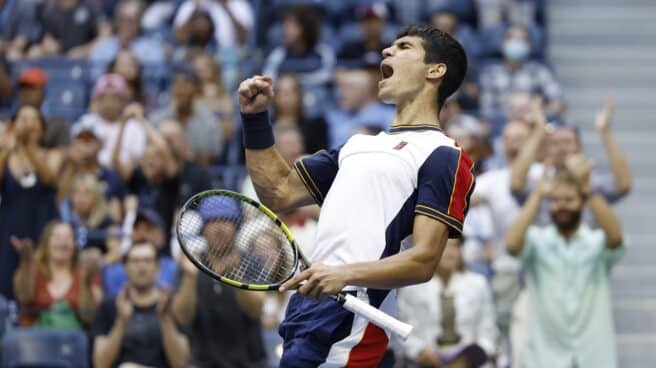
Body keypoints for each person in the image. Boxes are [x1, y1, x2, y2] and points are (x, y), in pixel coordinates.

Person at [238, 24, 473, 366]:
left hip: (355, 315)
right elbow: (278, 192)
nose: (386, 52)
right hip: (309, 308)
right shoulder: (357, 145)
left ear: (435, 70)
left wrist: (343, 275)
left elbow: (424, 260)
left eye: (404, 47)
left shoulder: (443, 154)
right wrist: (255, 118)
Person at [505, 168, 625, 368]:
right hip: (544, 358)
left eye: (569, 199)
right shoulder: (537, 240)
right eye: (556, 200)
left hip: (594, 357)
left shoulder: (596, 242)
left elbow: (615, 238)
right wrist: (537, 195)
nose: (562, 206)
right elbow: (511, 244)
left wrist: (590, 192)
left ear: (582, 203)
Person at [171, 197, 266, 367]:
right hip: (202, 362)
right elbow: (183, 318)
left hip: (249, 363)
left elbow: (256, 310)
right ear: (203, 228)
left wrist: (235, 276)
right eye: (212, 221)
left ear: (236, 226)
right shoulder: (190, 265)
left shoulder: (250, 261)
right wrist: (190, 278)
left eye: (226, 220)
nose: (219, 227)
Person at [510, 97, 632, 225]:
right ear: (547, 150)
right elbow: (516, 185)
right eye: (555, 143)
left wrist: (605, 132)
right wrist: (539, 130)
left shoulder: (591, 181)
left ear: (579, 148)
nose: (562, 148)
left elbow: (623, 186)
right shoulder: (541, 180)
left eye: (567, 142)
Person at [398, 238, 497, 367]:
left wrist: (467, 359)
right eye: (443, 247)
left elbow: (488, 333)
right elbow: (404, 333)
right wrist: (420, 352)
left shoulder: (478, 284)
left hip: (469, 361)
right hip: (426, 362)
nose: (449, 253)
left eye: (454, 246)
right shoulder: (412, 286)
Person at [92, 242, 190, 368]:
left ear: (158, 266)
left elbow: (181, 363)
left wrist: (165, 318)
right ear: (125, 267)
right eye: (135, 261)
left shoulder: (172, 305)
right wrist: (121, 321)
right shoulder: (109, 305)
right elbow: (100, 364)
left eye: (147, 260)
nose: (141, 266)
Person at [0, 105, 63, 299]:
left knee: (42, 284)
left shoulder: (53, 154)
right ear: (13, 125)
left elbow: (49, 178)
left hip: (42, 228)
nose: (28, 124)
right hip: (9, 229)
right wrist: (8, 149)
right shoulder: (6, 155)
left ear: (42, 128)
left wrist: (28, 147)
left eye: (33, 119)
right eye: (23, 119)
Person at [12, 220, 103, 328]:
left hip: (72, 338)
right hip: (33, 338)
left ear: (74, 245)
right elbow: (23, 296)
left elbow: (91, 318)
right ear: (46, 243)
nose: (62, 242)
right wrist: (26, 261)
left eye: (68, 238)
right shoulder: (33, 269)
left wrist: (87, 284)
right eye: (57, 237)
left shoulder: (85, 273)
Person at [479, 25, 565, 120]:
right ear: (503, 44)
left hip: (533, 123)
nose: (516, 42)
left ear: (529, 46)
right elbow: (487, 111)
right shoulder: (490, 74)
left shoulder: (540, 71)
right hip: (501, 126)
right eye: (511, 38)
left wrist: (537, 113)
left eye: (521, 39)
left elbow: (559, 102)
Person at [149, 67, 222, 165]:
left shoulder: (208, 123)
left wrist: (183, 152)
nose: (180, 89)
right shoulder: (157, 120)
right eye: (176, 83)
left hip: (196, 176)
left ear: (196, 88)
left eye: (185, 84)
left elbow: (207, 162)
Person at [74, 73, 147, 172]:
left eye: (114, 98)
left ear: (123, 101)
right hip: (90, 176)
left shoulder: (134, 128)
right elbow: (76, 153)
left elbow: (138, 162)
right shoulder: (85, 123)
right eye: (104, 98)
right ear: (97, 100)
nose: (109, 103)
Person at [57, 120, 126, 222]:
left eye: (89, 140)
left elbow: (118, 213)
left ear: (100, 144)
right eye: (80, 140)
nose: (84, 145)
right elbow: (59, 202)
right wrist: (72, 165)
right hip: (72, 228)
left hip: (100, 230)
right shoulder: (69, 172)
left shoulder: (111, 176)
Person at [262, 5, 335, 87]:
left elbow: (328, 76)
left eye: (291, 26)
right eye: (285, 26)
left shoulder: (323, 52)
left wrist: (296, 82)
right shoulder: (278, 54)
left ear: (305, 28)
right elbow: (268, 79)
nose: (285, 30)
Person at [89, 0, 165, 77]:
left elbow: (158, 76)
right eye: (123, 20)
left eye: (132, 20)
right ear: (117, 21)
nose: (127, 24)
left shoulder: (151, 48)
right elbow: (95, 76)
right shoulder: (102, 47)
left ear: (138, 23)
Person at [59, 173, 122, 263]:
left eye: (86, 193)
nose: (81, 198)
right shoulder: (66, 221)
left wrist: (99, 263)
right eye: (76, 193)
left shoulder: (106, 222)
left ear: (96, 197)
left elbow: (116, 253)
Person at [326, 68, 394, 147]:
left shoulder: (390, 116)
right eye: (340, 87)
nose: (341, 93)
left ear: (364, 91)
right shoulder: (335, 116)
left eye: (348, 88)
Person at [192, 53, 236, 160]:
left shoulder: (224, 98)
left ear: (213, 70)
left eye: (203, 68)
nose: (199, 73)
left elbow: (229, 131)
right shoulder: (190, 97)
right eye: (196, 69)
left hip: (217, 149)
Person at [15, 67, 71, 149]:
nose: (25, 92)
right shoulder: (8, 124)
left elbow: (62, 155)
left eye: (31, 87)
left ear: (43, 92)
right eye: (22, 88)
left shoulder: (58, 126)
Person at [272, 73, 328, 154]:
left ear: (300, 95)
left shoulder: (315, 127)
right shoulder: (264, 127)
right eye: (281, 93)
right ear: (274, 96)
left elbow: (321, 156)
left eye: (291, 92)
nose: (286, 98)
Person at [28, 0, 101, 59]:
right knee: (34, 52)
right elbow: (46, 36)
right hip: (58, 56)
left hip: (84, 58)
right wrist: (48, 43)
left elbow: (103, 37)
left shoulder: (89, 7)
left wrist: (84, 50)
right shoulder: (50, 10)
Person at [173, 0, 254, 50]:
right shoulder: (193, 4)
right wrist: (196, 8)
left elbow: (245, 37)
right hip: (199, 52)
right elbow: (179, 37)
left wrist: (226, 6)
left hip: (229, 52)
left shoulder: (237, 4)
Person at [337, 3, 389, 69]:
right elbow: (338, 72)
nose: (371, 24)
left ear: (384, 22)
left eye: (375, 20)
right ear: (360, 23)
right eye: (367, 20)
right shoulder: (349, 49)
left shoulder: (391, 49)